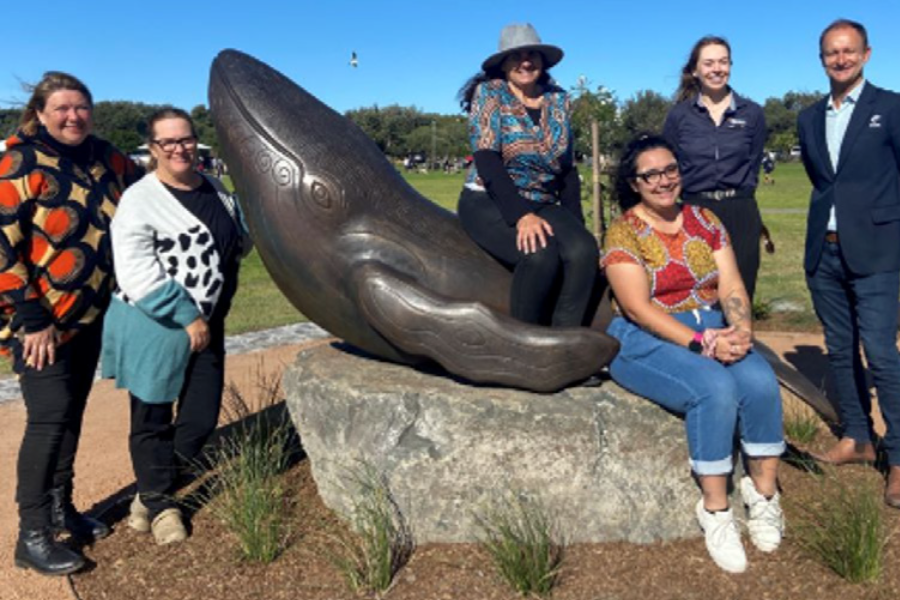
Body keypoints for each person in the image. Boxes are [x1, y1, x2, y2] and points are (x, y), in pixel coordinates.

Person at [602, 135, 785, 573]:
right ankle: (716, 509)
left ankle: (762, 495)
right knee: (714, 387)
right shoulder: (624, 231)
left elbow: (732, 284)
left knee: (760, 382)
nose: (663, 181)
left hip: (714, 325)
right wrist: (703, 344)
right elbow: (636, 308)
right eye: (651, 175)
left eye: (670, 170)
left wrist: (740, 331)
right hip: (649, 336)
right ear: (635, 182)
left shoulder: (705, 219)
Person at [0, 72, 140, 575]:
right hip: (40, 320)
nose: (73, 116)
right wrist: (31, 315)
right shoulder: (20, 158)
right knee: (49, 417)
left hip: (90, 315)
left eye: (81, 107)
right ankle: (32, 534)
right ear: (40, 111)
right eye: (61, 108)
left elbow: (153, 186)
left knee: (72, 415)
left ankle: (62, 509)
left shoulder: (105, 156)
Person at [102, 107, 252, 543]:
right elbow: (135, 271)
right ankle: (162, 505)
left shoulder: (215, 187)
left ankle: (149, 492)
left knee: (199, 419)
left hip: (210, 322)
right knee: (151, 417)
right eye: (168, 142)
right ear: (154, 148)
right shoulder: (140, 200)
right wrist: (187, 316)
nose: (179, 148)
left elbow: (235, 243)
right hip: (155, 323)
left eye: (185, 139)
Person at [797, 19, 900, 508]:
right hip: (826, 250)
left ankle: (898, 456)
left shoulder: (891, 108)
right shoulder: (809, 117)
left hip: (878, 250)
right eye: (831, 53)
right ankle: (857, 438)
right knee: (841, 350)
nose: (840, 59)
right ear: (822, 58)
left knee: (881, 354)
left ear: (866, 53)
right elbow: (824, 181)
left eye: (849, 51)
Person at [456, 23, 598, 328]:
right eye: (516, 56)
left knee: (584, 250)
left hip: (542, 198)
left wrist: (577, 225)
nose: (525, 61)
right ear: (504, 64)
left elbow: (567, 170)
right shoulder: (490, 94)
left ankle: (566, 344)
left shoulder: (558, 100)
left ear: (542, 60)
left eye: (532, 53)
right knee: (539, 254)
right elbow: (487, 159)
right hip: (490, 198)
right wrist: (521, 216)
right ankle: (526, 343)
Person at [663, 36, 767, 301]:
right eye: (709, 63)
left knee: (741, 291)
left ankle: (741, 342)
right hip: (696, 210)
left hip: (740, 209)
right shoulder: (679, 116)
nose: (717, 69)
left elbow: (753, 162)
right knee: (701, 289)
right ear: (695, 70)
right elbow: (670, 163)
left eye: (723, 62)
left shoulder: (752, 113)